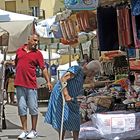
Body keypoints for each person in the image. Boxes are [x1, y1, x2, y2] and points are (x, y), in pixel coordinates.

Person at [45, 60, 102, 140]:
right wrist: (66, 94)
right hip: (61, 95)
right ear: (91, 71)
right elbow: (63, 79)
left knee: (76, 119)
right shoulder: (77, 69)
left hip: (72, 97)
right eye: (94, 74)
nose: (93, 75)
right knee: (62, 118)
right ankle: (61, 138)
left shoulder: (84, 76)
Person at [14, 34, 53, 139]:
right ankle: (24, 130)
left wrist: (48, 81)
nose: (36, 43)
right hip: (19, 84)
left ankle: (34, 130)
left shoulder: (38, 54)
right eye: (34, 40)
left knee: (33, 108)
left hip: (31, 85)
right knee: (21, 108)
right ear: (29, 39)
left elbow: (43, 68)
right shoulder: (19, 51)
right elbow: (16, 64)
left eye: (37, 41)